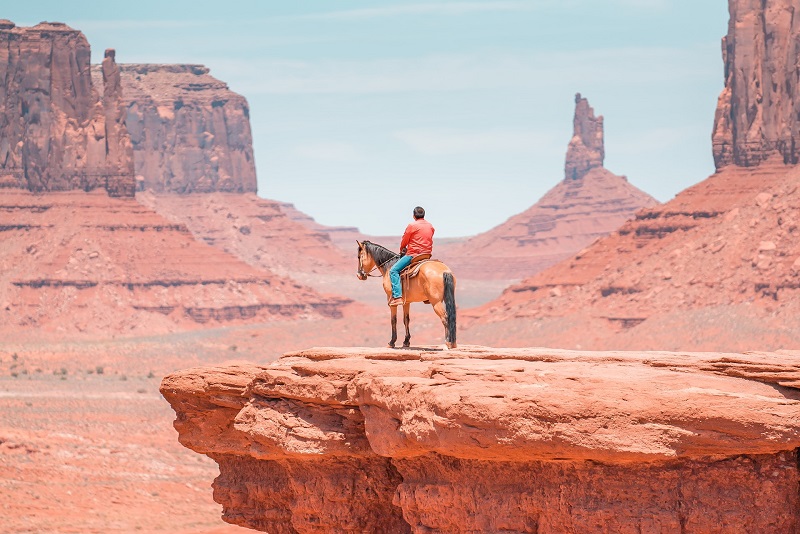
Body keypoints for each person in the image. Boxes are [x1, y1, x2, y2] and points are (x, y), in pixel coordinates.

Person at [388, 206, 434, 306]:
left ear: (414, 216)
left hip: (413, 255)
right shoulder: (430, 226)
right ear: (423, 215)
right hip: (426, 255)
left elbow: (405, 239)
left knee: (393, 271)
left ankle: (397, 297)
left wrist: (402, 248)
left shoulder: (412, 226)